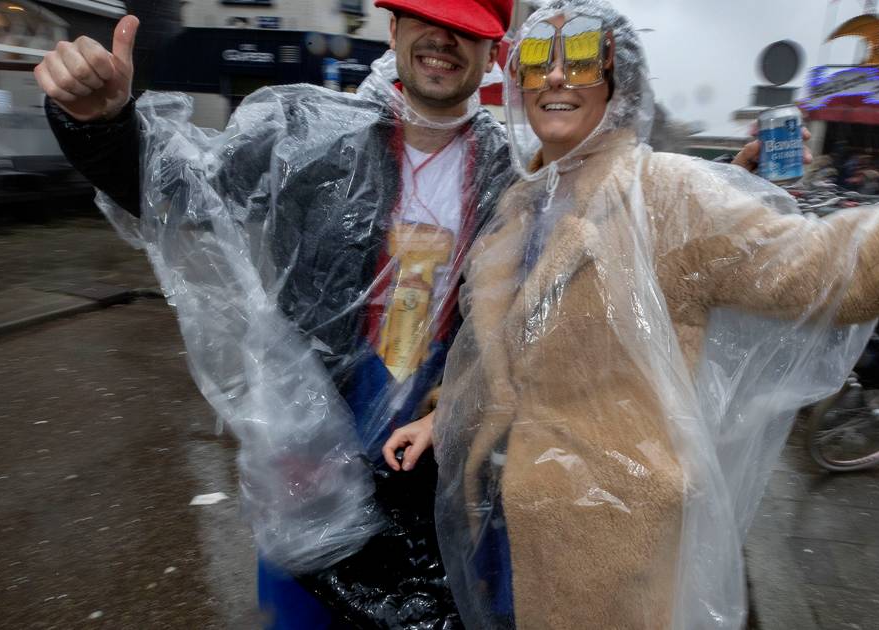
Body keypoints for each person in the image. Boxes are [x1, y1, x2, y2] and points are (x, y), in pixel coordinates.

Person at [385, 1, 879, 628]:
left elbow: (840, 269)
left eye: (582, 59)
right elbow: (511, 351)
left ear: (618, 80)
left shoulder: (669, 195)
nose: (556, 78)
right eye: (536, 62)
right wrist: (446, 415)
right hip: (504, 509)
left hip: (610, 538)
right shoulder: (524, 204)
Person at [33, 1, 517, 627]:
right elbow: (179, 192)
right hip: (313, 451)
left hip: (438, 461)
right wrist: (101, 123)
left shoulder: (513, 177)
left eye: (467, 29)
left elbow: (525, 331)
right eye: (427, 17)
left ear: (491, 52)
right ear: (394, 28)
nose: (444, 41)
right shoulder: (307, 128)